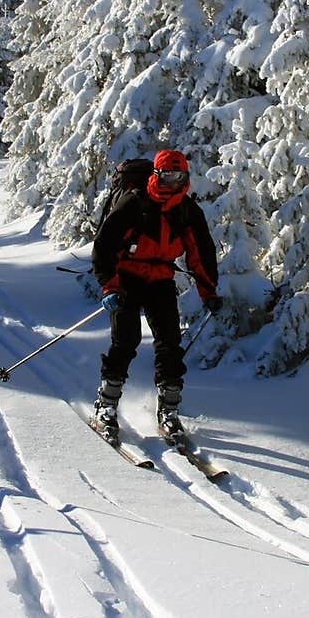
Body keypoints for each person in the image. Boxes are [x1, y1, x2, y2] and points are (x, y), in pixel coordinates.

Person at [91, 149, 223, 443]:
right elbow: (104, 246)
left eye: (178, 177)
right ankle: (106, 405)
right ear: (156, 175)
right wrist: (109, 285)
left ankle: (169, 412)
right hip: (126, 277)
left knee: (169, 343)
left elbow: (200, 254)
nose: (172, 183)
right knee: (126, 340)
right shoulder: (134, 203)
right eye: (166, 176)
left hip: (160, 279)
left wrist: (208, 291)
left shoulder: (187, 210)